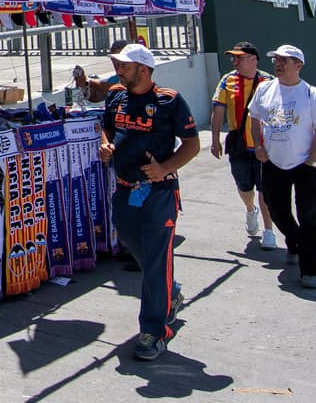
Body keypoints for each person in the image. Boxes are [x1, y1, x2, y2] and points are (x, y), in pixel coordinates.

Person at [99, 42, 200, 361]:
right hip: (125, 189)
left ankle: (154, 331)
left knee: (156, 259)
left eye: (125, 66)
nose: (119, 70)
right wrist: (107, 146)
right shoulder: (116, 95)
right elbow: (107, 128)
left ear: (143, 70)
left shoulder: (169, 101)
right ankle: (169, 291)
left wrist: (164, 168)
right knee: (129, 240)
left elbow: (193, 144)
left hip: (159, 193)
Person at [249, 45, 316, 290]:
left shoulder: (311, 94)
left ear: (298, 65)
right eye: (276, 60)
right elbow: (254, 118)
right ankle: (295, 242)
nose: (278, 64)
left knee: (309, 216)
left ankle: (309, 268)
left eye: (285, 60)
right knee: (276, 210)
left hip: (304, 163)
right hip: (273, 161)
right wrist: (259, 147)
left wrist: (312, 160)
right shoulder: (264, 89)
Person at [209, 40, 277, 250]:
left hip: (264, 147)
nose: (235, 61)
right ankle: (250, 210)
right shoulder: (227, 80)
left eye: (240, 58)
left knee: (265, 189)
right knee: (244, 186)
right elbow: (218, 110)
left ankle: (269, 231)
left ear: (253, 59)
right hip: (238, 145)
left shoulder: (269, 81)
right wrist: (214, 139)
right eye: (233, 58)